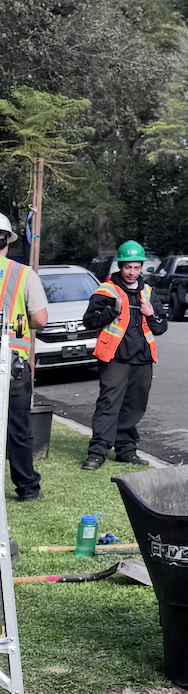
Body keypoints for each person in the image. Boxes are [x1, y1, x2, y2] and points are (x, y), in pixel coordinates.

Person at [81, 240, 167, 470]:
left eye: (136, 267)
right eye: (128, 267)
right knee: (109, 404)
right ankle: (97, 452)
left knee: (135, 406)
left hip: (142, 359)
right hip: (115, 358)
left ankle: (126, 450)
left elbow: (160, 327)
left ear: (141, 267)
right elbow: (88, 321)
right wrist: (112, 310)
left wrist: (151, 314)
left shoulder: (148, 293)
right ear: (120, 266)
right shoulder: (107, 291)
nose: (132, 272)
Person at [0, 213, 49, 502]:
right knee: (17, 428)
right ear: (6, 241)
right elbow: (41, 319)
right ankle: (27, 489)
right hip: (12, 364)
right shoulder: (22, 274)